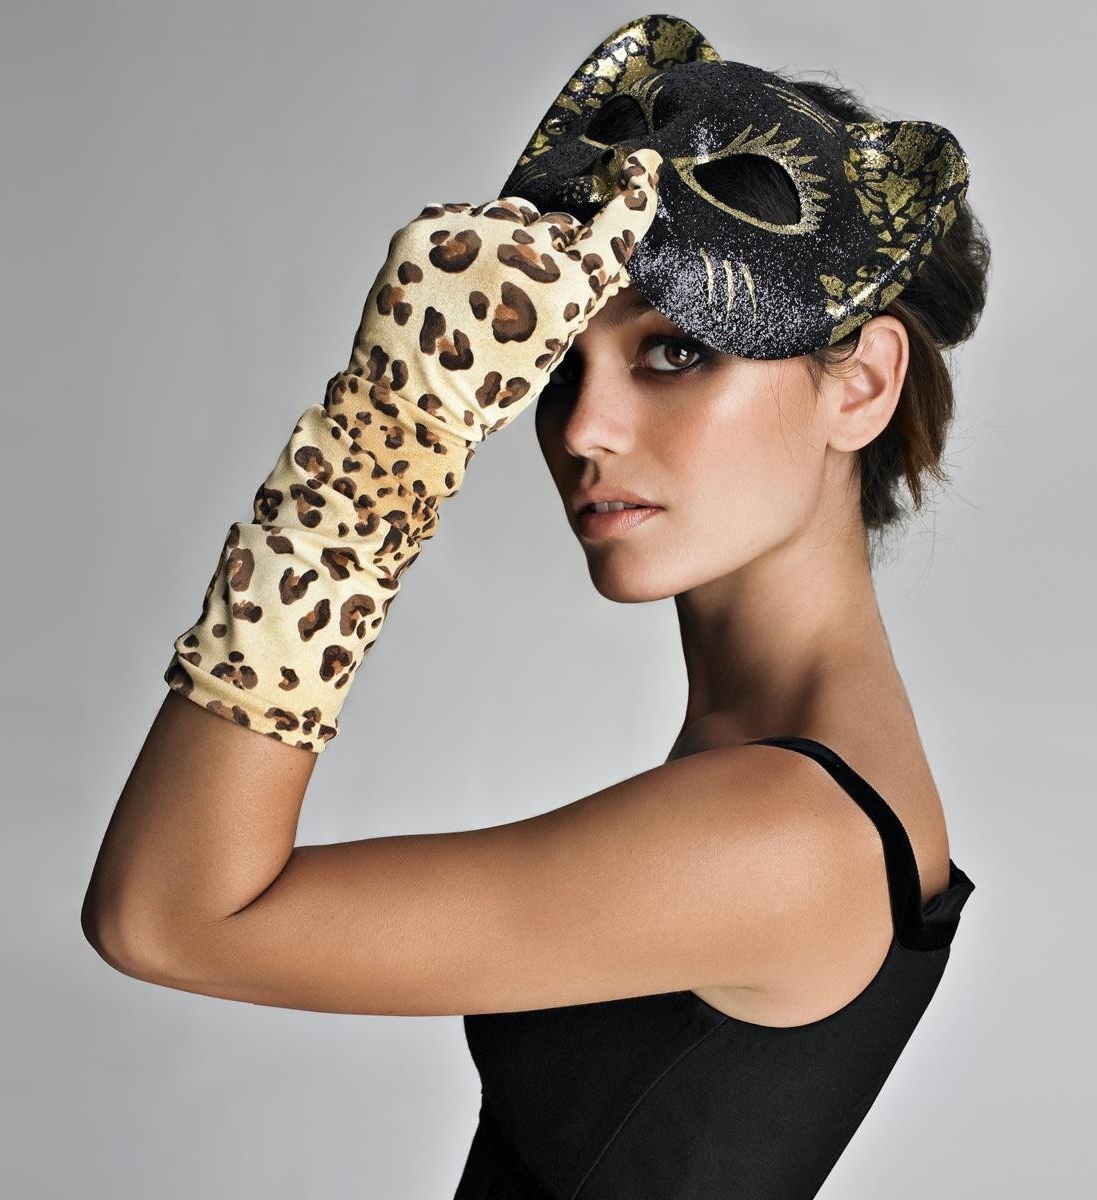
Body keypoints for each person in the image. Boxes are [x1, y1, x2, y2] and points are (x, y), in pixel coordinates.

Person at [82, 14, 990, 1198]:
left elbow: (166, 918)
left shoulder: (786, 834)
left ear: (859, 385)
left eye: (674, 352)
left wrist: (372, 464)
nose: (582, 429)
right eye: (559, 364)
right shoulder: (795, 765)